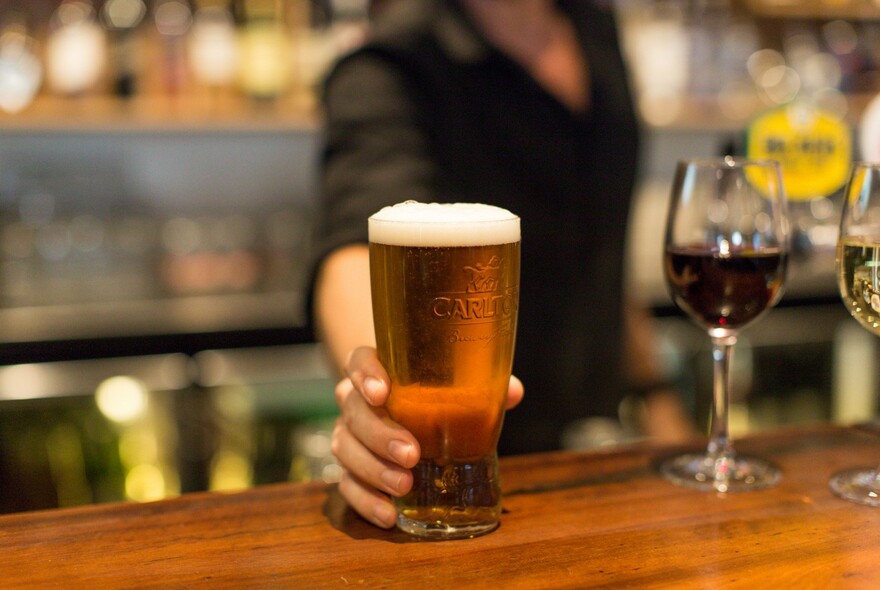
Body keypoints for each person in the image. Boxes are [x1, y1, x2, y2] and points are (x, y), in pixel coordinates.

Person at [309, 0, 694, 529]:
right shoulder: (391, 62)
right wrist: (376, 410)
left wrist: (656, 394)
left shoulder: (595, 28)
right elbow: (354, 247)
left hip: (602, 465)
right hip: (474, 481)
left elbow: (603, 245)